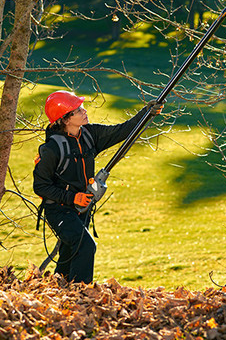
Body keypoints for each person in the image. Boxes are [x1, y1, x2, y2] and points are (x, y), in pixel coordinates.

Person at [33, 90, 163, 284]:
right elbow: (40, 186)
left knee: (70, 253)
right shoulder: (51, 149)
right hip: (58, 210)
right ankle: (81, 295)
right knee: (85, 246)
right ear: (66, 119)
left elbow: (123, 130)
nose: (84, 111)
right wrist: (72, 198)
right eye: (77, 110)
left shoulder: (89, 135)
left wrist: (147, 113)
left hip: (82, 208)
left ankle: (59, 292)